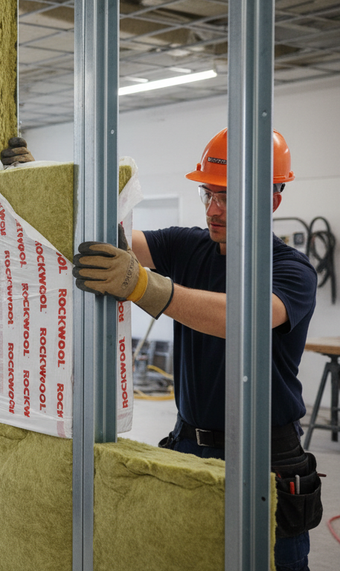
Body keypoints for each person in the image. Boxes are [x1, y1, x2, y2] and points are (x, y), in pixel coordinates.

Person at [71, 128, 323, 571]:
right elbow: (103, 241)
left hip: (266, 456)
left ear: (273, 201)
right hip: (189, 444)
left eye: (228, 198)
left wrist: (146, 287)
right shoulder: (189, 246)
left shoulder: (292, 271)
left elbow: (242, 319)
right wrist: (44, 188)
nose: (214, 210)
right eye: (208, 194)